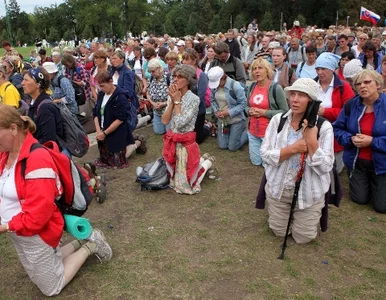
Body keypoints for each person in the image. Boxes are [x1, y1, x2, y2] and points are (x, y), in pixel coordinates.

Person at [0, 104, 112, 296]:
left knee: (51, 287)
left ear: (12, 129)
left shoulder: (36, 159)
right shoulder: (6, 154)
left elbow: (38, 215)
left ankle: (92, 245)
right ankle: (82, 241)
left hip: (35, 231)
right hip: (18, 229)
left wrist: (5, 226)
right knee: (44, 270)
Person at [260, 78, 334, 243]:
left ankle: (306, 216)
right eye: (293, 94)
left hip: (308, 194)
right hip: (279, 189)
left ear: (312, 101)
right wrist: (293, 149)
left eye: (301, 95)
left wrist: (312, 141)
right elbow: (264, 154)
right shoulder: (278, 120)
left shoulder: (324, 127)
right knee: (279, 232)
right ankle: (285, 214)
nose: (294, 99)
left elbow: (326, 167)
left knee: (303, 238)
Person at [333, 70, 386, 213]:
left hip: (382, 165)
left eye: (367, 82)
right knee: (359, 199)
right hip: (357, 163)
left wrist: (372, 141)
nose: (362, 86)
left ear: (378, 84)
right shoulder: (351, 105)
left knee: (382, 207)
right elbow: (337, 129)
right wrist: (350, 139)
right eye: (358, 84)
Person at [162, 65, 214, 195]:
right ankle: (202, 161)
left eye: (180, 77)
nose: (175, 79)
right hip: (173, 140)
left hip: (186, 142)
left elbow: (180, 124)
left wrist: (177, 102)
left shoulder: (194, 99)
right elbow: (165, 120)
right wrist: (173, 101)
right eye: (174, 76)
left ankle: (207, 163)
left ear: (189, 80)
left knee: (186, 186)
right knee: (172, 181)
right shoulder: (172, 95)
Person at [315, 52, 355, 173]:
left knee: (334, 170)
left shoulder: (344, 87)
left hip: (335, 135)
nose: (319, 72)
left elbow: (350, 112)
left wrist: (326, 112)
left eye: (323, 69)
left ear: (332, 69)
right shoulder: (312, 84)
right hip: (315, 133)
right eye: (317, 69)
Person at [246, 58, 289, 166]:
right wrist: (249, 110)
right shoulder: (251, 86)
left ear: (267, 70)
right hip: (253, 131)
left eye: (260, 68)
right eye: (254, 69)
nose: (257, 71)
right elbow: (246, 106)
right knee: (256, 162)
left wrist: (264, 113)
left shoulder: (276, 88)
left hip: (269, 132)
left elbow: (285, 111)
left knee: (267, 164)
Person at [93, 70, 137, 168]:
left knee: (117, 163)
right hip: (103, 131)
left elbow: (120, 119)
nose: (101, 89)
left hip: (117, 132)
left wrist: (105, 133)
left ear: (110, 81)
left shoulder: (120, 96)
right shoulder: (101, 94)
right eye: (99, 86)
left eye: (102, 86)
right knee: (104, 160)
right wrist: (98, 131)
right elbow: (95, 113)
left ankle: (136, 142)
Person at [23, 67, 66, 154]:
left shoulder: (45, 107)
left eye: (26, 80)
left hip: (49, 156)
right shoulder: (35, 102)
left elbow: (48, 140)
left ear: (38, 84)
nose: (22, 83)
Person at [208, 66, 248, 151]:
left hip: (237, 119)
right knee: (222, 146)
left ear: (223, 77)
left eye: (217, 82)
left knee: (232, 147)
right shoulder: (214, 88)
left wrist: (229, 112)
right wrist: (216, 111)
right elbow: (212, 100)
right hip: (222, 120)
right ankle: (233, 134)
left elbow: (243, 103)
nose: (217, 85)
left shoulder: (235, 85)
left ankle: (247, 134)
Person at [182, 49, 210, 144]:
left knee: (197, 140)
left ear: (194, 61)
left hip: (198, 110)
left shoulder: (201, 75)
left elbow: (200, 96)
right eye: (183, 59)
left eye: (186, 59)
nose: (184, 62)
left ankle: (207, 127)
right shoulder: (182, 74)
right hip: (185, 108)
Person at [146, 58, 170, 135]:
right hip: (156, 111)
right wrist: (153, 103)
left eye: (153, 71)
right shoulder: (151, 79)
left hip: (168, 110)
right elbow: (147, 93)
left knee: (169, 132)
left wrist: (163, 103)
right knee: (158, 131)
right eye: (150, 71)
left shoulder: (168, 78)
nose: (151, 73)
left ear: (159, 68)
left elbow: (174, 97)